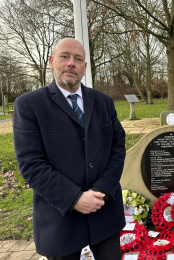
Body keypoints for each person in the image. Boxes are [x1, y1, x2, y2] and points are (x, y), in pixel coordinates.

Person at [13, 38, 126, 260]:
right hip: (60, 217)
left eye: (78, 59)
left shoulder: (104, 102)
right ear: (52, 61)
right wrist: (74, 198)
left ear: (85, 67)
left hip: (104, 211)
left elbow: (118, 147)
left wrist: (101, 190)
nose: (71, 63)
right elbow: (31, 164)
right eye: (65, 56)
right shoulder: (29, 105)